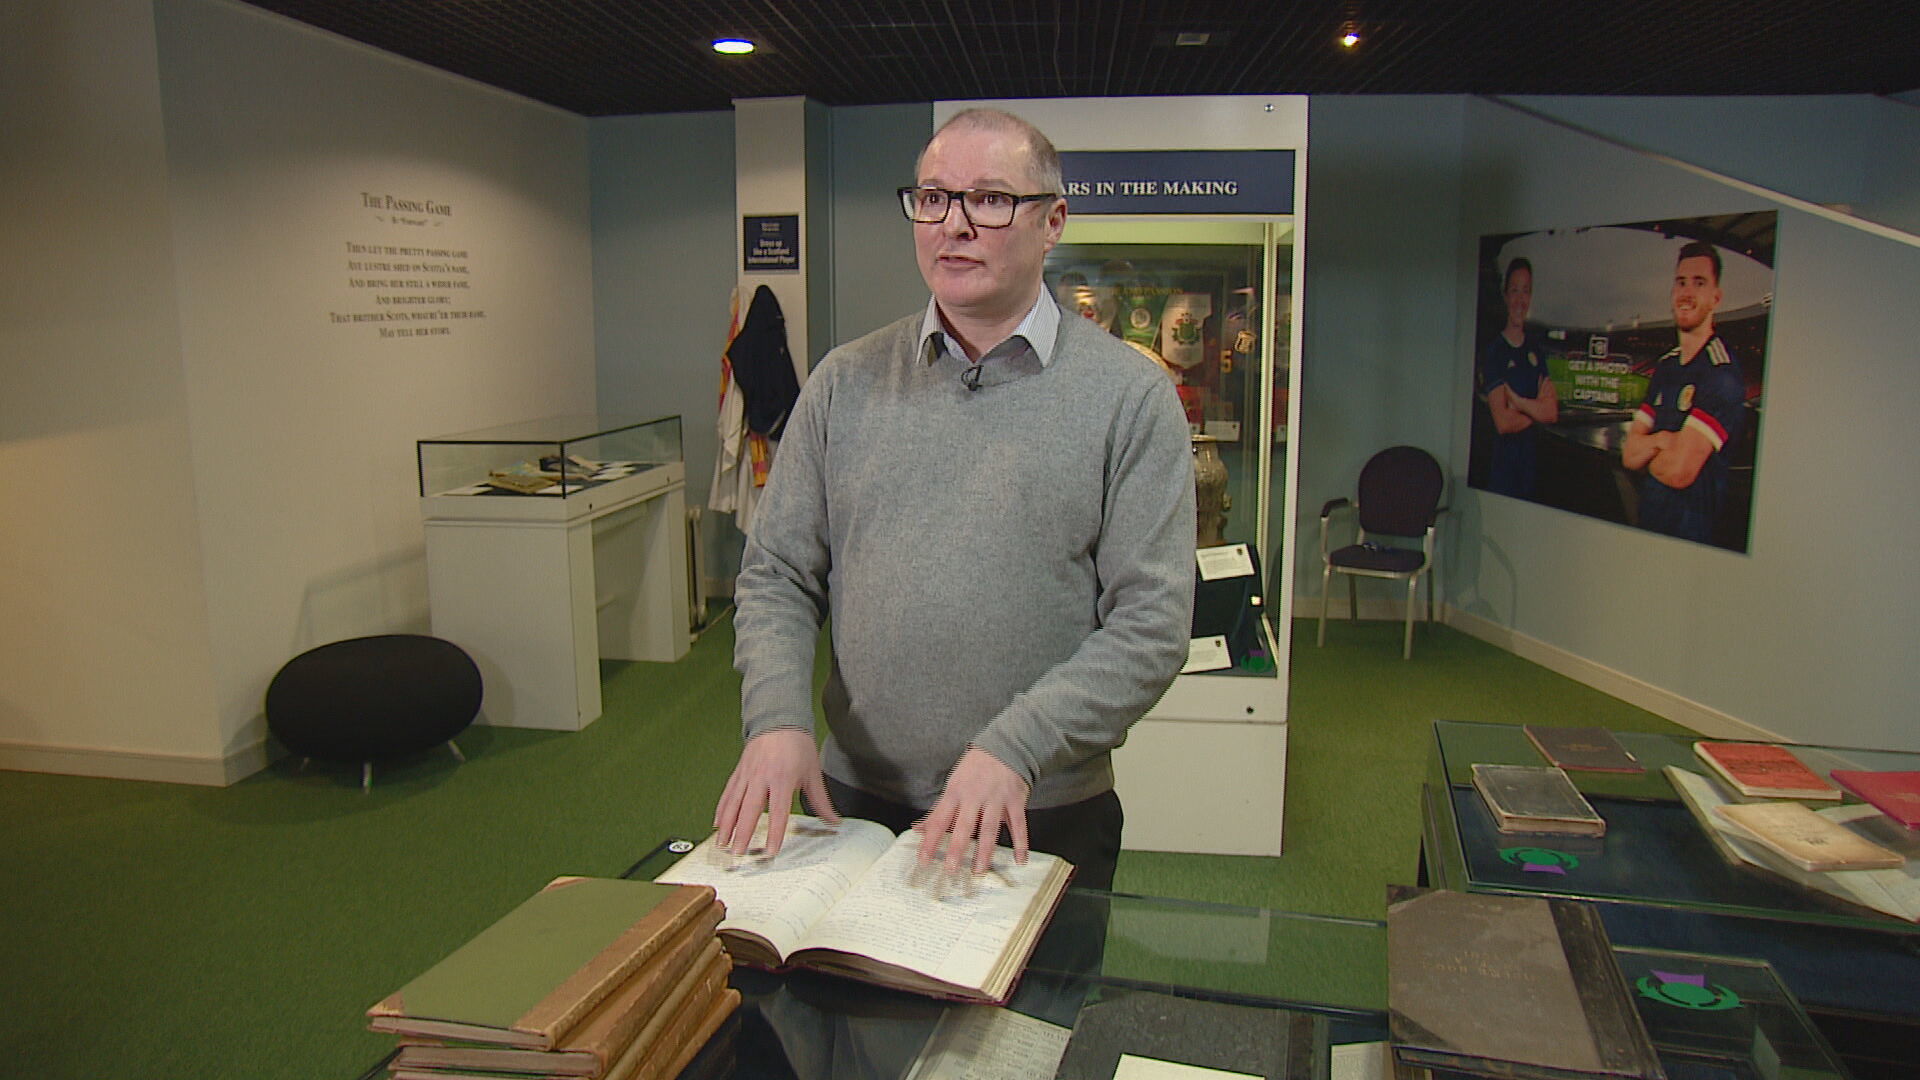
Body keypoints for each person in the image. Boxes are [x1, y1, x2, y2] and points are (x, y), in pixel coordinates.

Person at [710, 109, 1195, 892]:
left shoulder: (1130, 397)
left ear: (1053, 222)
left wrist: (1017, 745)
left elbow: (1152, 625)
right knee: (833, 1017)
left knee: (1023, 1021)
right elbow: (778, 575)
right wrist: (776, 718)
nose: (955, 225)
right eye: (933, 198)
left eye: (990, 199)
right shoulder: (843, 382)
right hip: (852, 809)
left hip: (1036, 812)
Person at [1622, 241, 1747, 543]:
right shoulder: (1666, 367)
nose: (1687, 292)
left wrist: (1648, 447)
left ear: (1716, 298)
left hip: (1692, 539)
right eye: (1681, 282)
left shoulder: (1721, 373)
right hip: (1648, 524)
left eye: (1699, 283)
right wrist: (1666, 440)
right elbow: (1628, 455)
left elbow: (1679, 472)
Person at [1478, 257, 1558, 499]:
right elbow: (1503, 422)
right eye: (1514, 291)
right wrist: (1536, 411)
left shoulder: (1535, 349)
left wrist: (1519, 403)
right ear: (1505, 296)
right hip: (1503, 473)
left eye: (1526, 291)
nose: (1520, 300)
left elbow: (1552, 412)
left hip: (1531, 470)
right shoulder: (1495, 352)